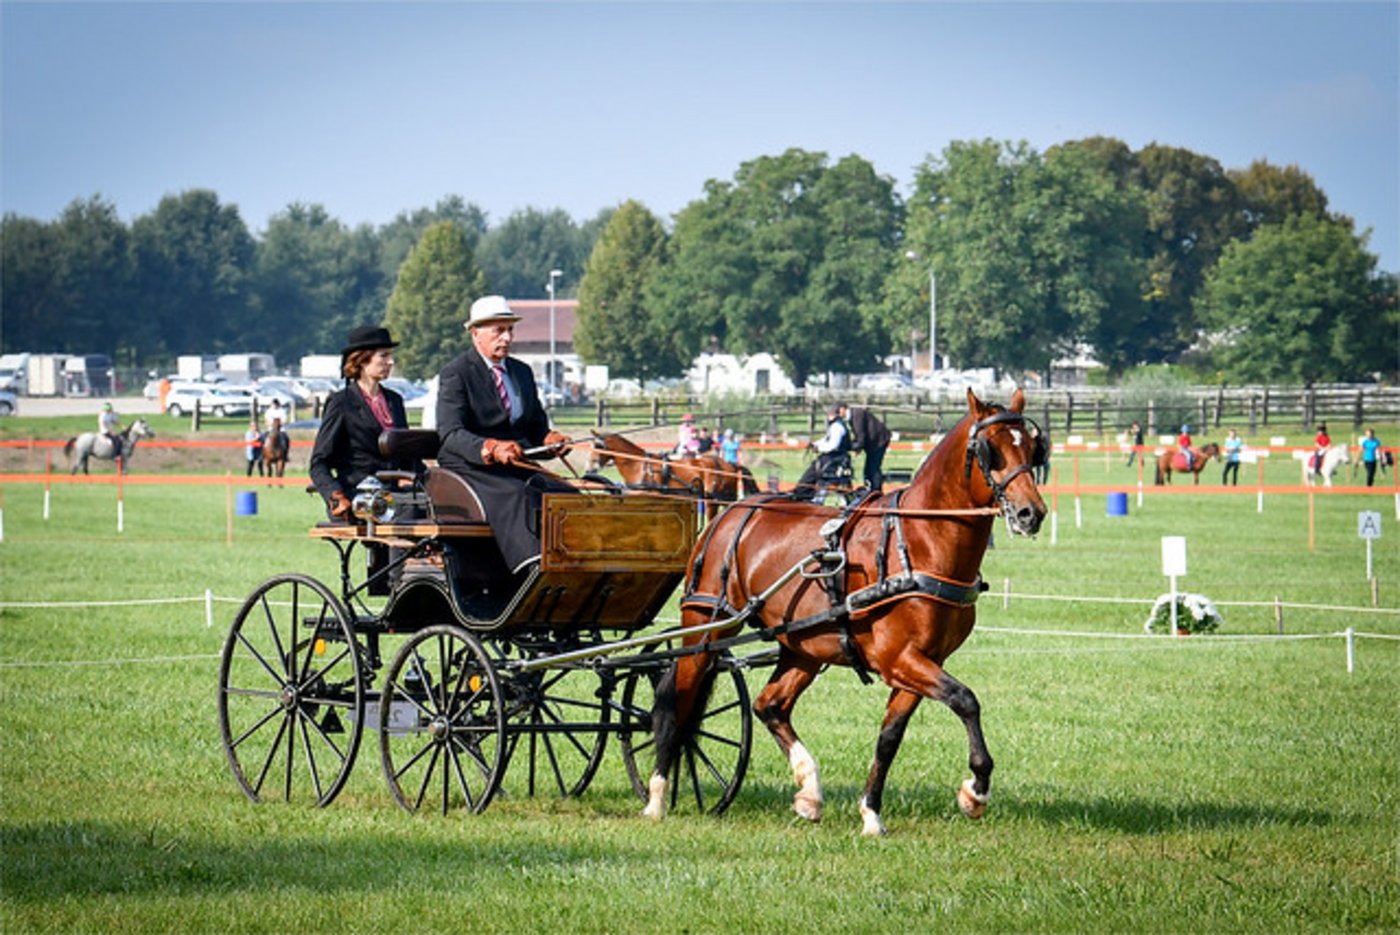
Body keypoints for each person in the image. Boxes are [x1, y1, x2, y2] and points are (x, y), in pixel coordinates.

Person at [436, 295, 573, 573]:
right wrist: (490, 446)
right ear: (476, 334)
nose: (507, 337)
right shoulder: (457, 373)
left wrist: (550, 441)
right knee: (517, 495)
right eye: (498, 331)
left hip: (515, 464)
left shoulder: (521, 372)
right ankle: (531, 568)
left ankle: (573, 561)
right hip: (471, 467)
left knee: (567, 494)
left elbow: (535, 428)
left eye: (510, 330)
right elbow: (450, 433)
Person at [309, 325, 416, 520]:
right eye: (383, 356)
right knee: (408, 514)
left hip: (395, 495)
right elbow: (319, 463)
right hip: (358, 496)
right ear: (362, 360)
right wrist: (334, 496)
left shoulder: (395, 400)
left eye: (391, 356)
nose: (391, 362)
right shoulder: (341, 403)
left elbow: (407, 455)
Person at [793, 403, 851, 500]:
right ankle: (805, 493)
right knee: (812, 469)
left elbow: (833, 445)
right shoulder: (836, 426)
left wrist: (818, 448)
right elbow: (826, 439)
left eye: (829, 414)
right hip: (832, 458)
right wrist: (815, 444)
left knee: (810, 474)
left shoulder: (837, 427)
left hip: (833, 459)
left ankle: (802, 493)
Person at [845, 403, 892, 492]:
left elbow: (861, 435)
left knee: (872, 469)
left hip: (878, 441)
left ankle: (876, 491)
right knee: (870, 469)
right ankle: (872, 489)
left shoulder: (856, 414)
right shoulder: (854, 415)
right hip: (874, 441)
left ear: (842, 409)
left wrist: (856, 446)